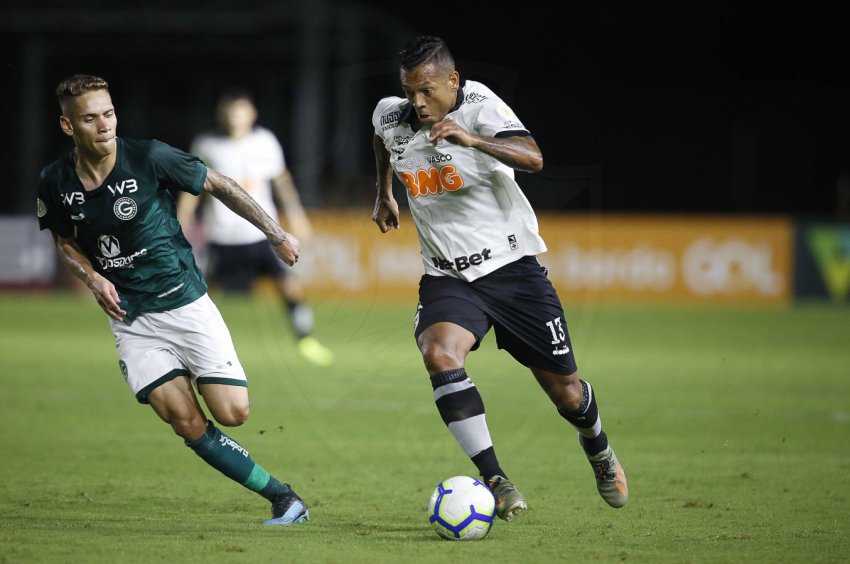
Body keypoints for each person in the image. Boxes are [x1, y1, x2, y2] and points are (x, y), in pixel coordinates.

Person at [370, 37, 628, 522]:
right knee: (439, 353)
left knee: (568, 394)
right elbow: (383, 140)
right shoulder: (390, 114)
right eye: (410, 92)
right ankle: (497, 480)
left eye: (426, 91)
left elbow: (534, 158)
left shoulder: (481, 105)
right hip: (448, 276)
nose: (418, 103)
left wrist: (475, 141)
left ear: (452, 81)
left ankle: (598, 449)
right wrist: (384, 191)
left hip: (514, 274)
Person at [36, 74, 309, 526]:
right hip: (131, 319)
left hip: (185, 303)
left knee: (233, 413)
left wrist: (275, 234)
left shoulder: (149, 156)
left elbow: (219, 185)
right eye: (90, 118)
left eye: (109, 113)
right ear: (68, 127)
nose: (104, 125)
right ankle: (283, 498)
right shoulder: (54, 181)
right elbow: (65, 242)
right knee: (184, 420)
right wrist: (92, 279)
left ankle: (203, 381)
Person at [177, 89, 334, 367]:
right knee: (202, 295)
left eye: (240, 112)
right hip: (221, 235)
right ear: (221, 115)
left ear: (252, 114)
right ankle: (189, 345)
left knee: (290, 286)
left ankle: (306, 340)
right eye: (230, 112)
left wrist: (297, 216)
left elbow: (281, 182)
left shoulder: (265, 142)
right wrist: (183, 219)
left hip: (262, 234)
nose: (235, 118)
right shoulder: (207, 145)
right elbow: (193, 188)